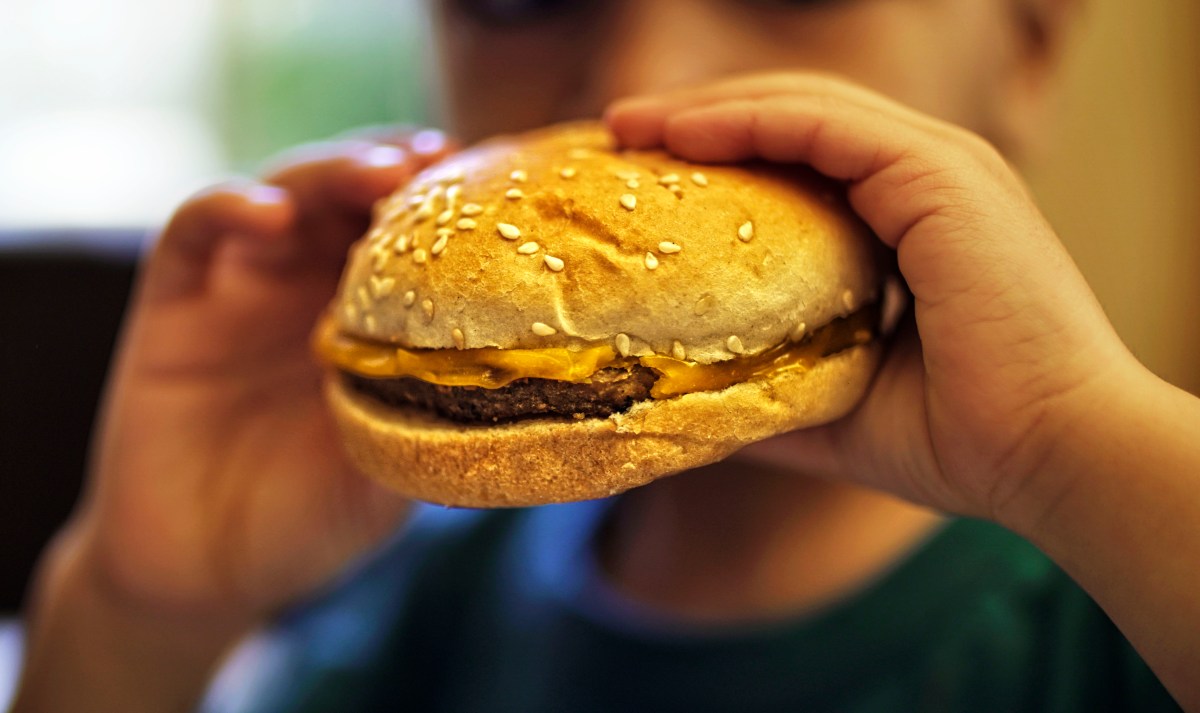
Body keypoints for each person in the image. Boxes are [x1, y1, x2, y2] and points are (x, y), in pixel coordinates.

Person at [11, 0, 1200, 710]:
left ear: (1029, 49)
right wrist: (134, 618)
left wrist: (1064, 453)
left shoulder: (1119, 608)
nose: (642, 85)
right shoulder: (416, 594)